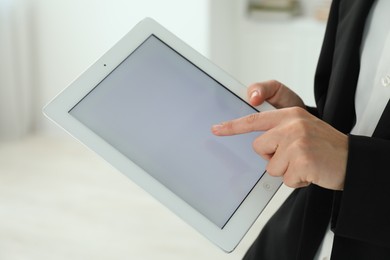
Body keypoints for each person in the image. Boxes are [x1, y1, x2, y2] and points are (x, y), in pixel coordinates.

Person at [212, 0, 390, 259]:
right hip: (300, 237)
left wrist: (351, 164)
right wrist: (307, 124)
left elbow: (347, 156)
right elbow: (354, 125)